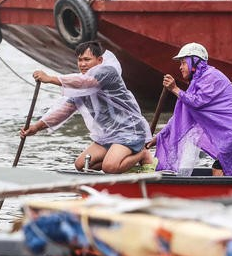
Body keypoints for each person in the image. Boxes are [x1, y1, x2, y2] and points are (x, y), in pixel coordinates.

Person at [21, 41, 154, 174]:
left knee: (110, 167)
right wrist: (36, 127)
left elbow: (86, 83)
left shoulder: (108, 72)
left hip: (129, 131)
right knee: (81, 165)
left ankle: (142, 154)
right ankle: (123, 164)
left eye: (87, 59)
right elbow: (63, 111)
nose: (82, 64)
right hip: (107, 134)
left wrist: (50, 79)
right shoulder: (80, 84)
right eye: (80, 60)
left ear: (99, 60)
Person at [148, 42, 232, 176]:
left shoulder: (211, 76)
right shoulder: (197, 83)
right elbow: (178, 118)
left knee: (220, 169)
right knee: (227, 169)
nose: (180, 67)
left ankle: (225, 195)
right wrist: (158, 137)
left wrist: (174, 89)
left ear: (194, 62)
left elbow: (196, 102)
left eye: (183, 63)